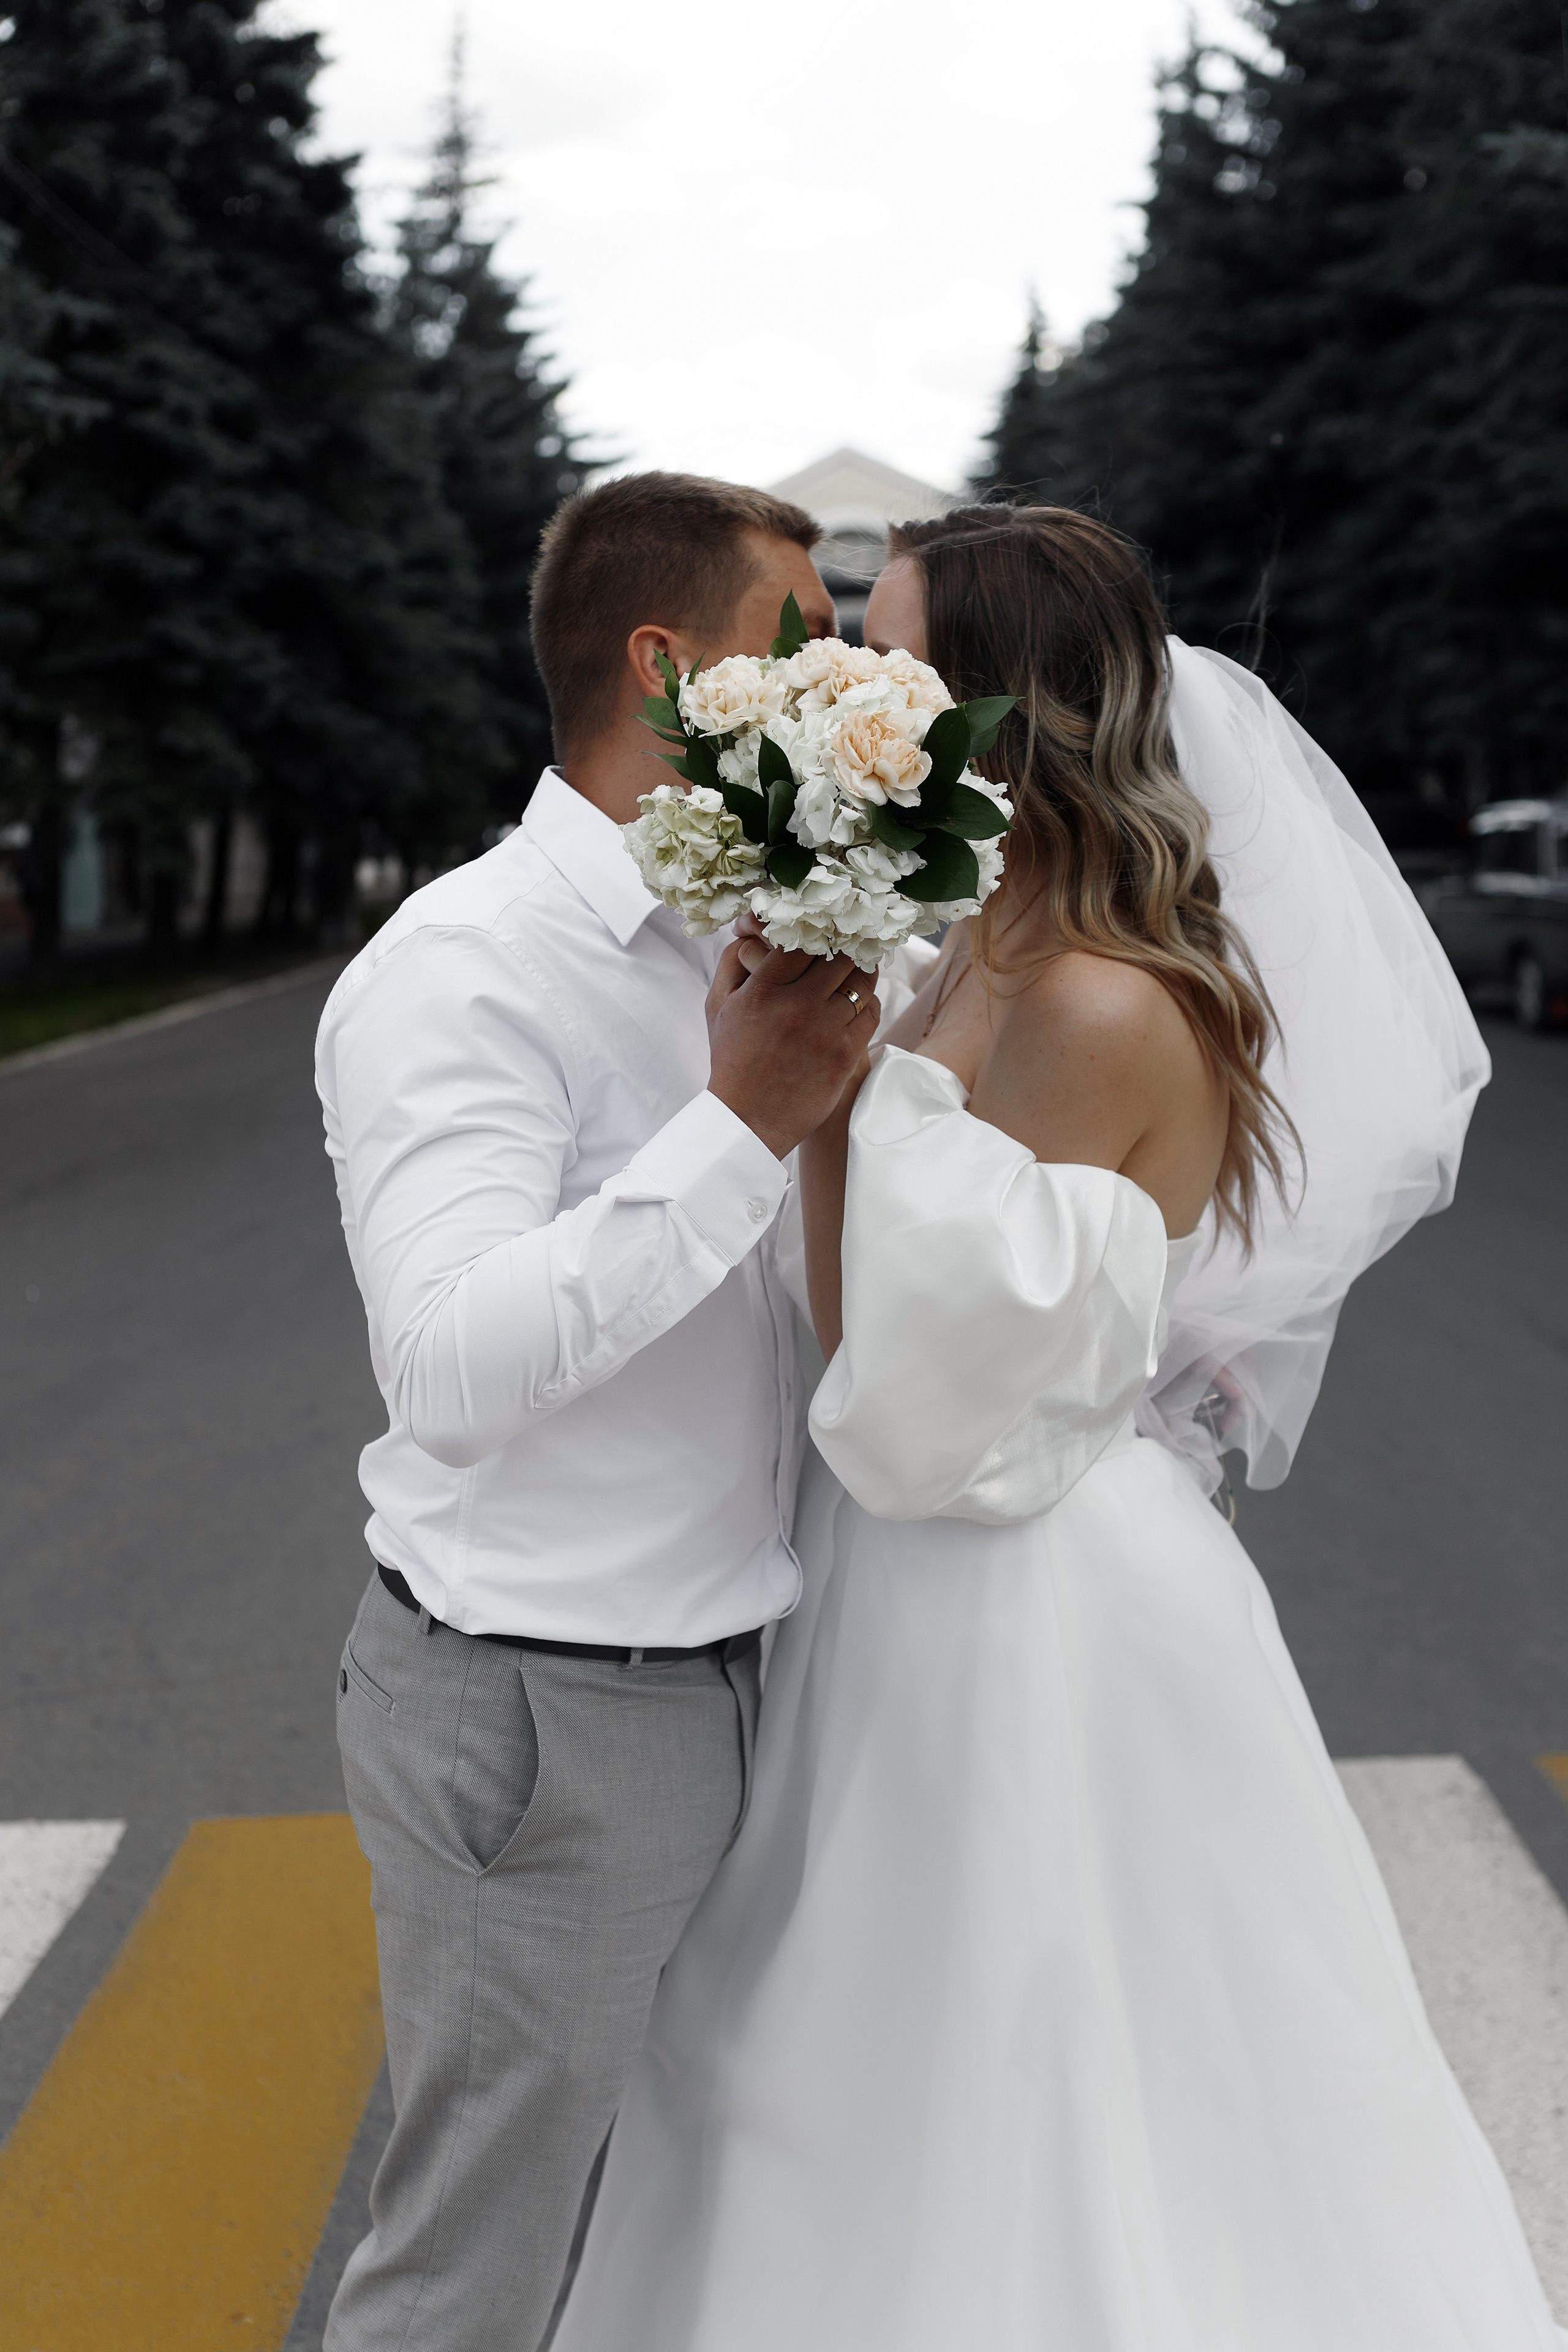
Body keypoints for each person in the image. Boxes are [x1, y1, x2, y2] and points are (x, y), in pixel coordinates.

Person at [551, 507, 1566, 2351]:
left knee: (1018, 2053)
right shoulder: (959, 954)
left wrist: (819, 1101)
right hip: (910, 1546)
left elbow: (918, 1395)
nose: (852, 683)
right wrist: (820, 1054)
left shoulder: (1103, 1002)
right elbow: (859, 1325)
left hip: (1020, 1585)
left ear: (1000, 709)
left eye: (893, 654)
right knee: (849, 2034)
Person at [314, 472, 881, 2352]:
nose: (844, 688)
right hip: (542, 1712)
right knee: (473, 2273)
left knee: (672, 2225)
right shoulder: (463, 968)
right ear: (670, 668)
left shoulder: (756, 932)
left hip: (734, 1678)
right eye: (805, 645)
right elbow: (451, 1370)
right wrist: (741, 1125)